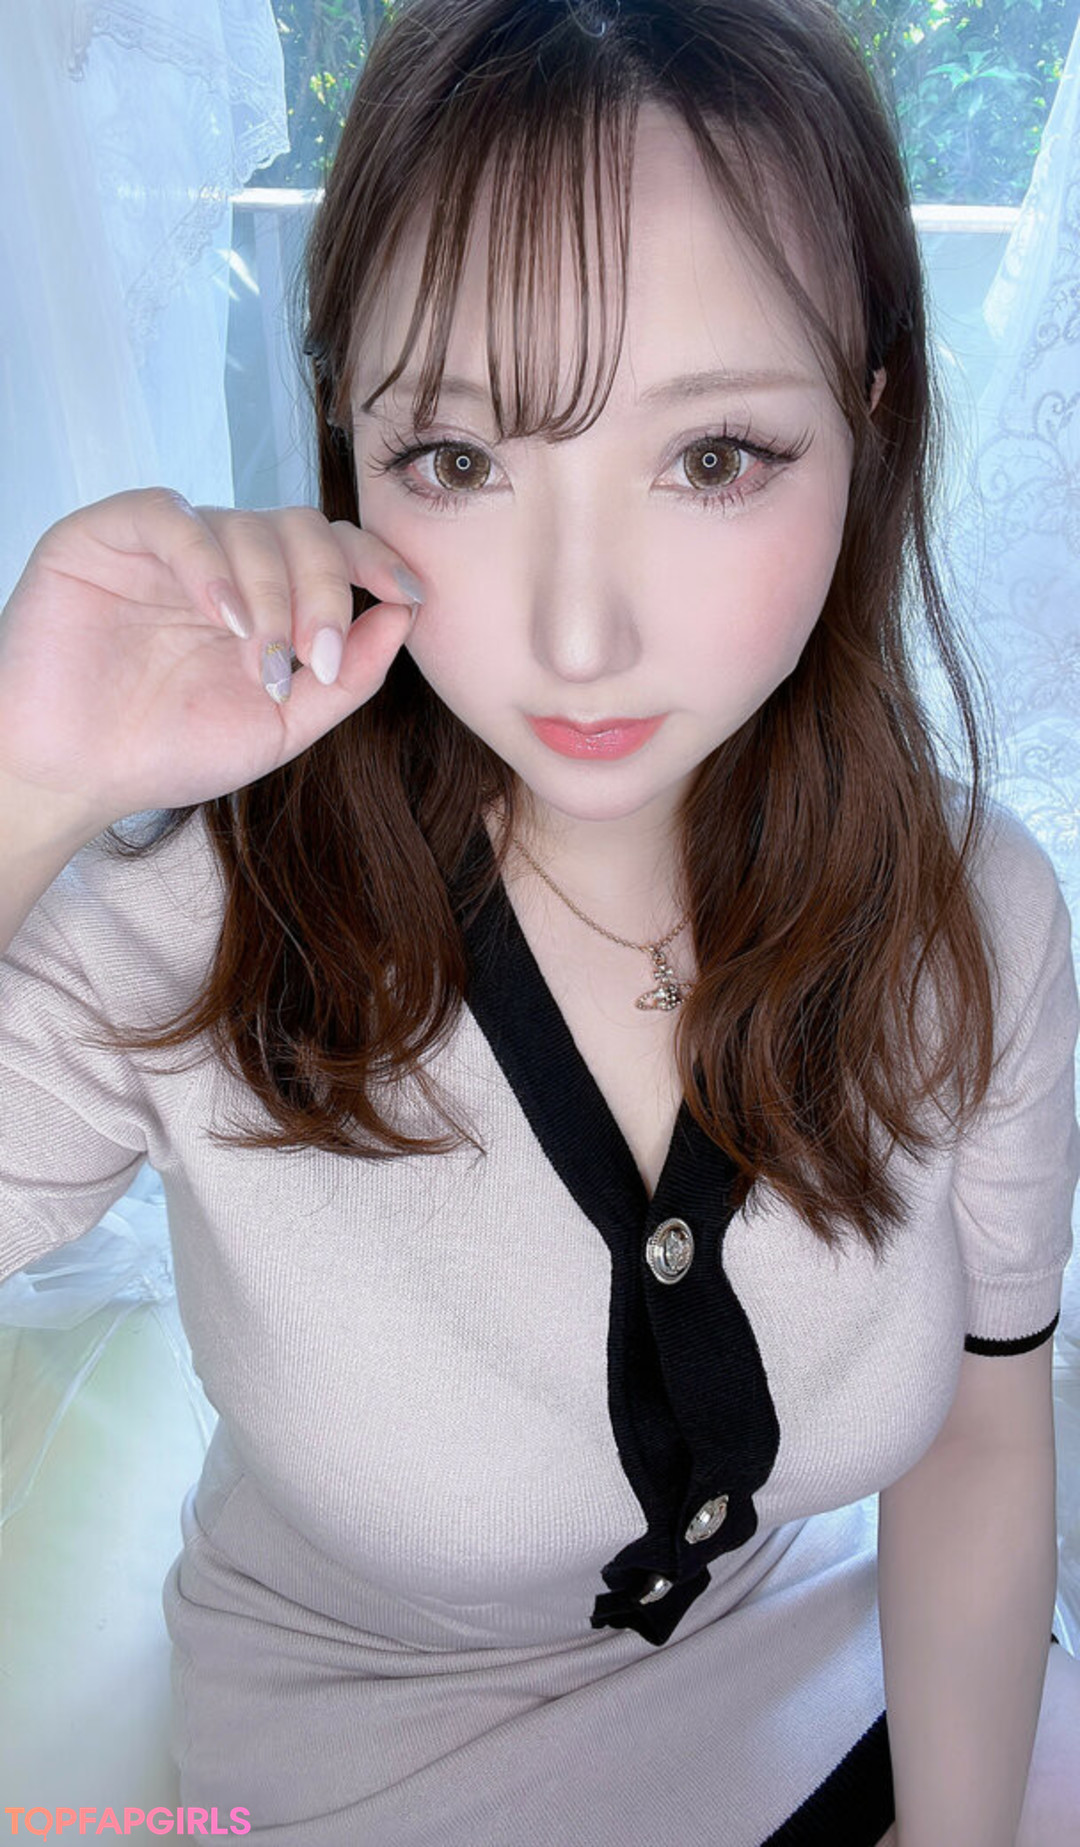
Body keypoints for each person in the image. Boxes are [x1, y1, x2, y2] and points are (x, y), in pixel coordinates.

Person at [1, 0, 1078, 1838]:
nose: (580, 635)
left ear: (870, 421)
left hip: (824, 1658)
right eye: (459, 458)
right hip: (380, 1760)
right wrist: (26, 782)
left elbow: (983, 1426)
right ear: (345, 439)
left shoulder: (970, 916)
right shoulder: (201, 924)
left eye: (714, 457)